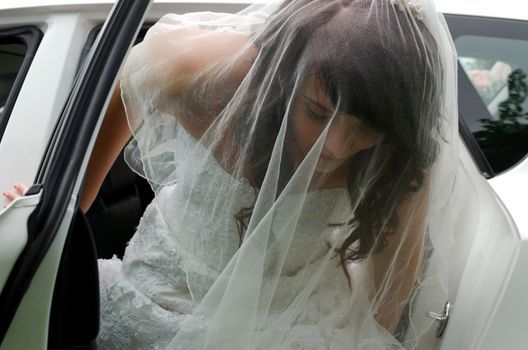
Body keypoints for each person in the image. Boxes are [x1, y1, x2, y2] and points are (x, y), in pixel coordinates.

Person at [4, 0, 459, 349]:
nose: (337, 146)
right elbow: (123, 91)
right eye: (317, 112)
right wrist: (56, 214)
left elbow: (389, 293)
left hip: (295, 326)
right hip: (158, 297)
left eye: (366, 128)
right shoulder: (194, 72)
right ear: (282, 78)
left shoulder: (403, 154)